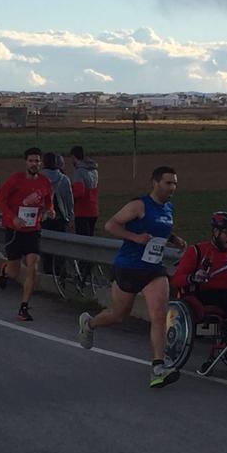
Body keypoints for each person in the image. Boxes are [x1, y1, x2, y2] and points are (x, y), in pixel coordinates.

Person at [78, 166, 188, 388]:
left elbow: (159, 229)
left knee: (158, 315)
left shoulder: (169, 208)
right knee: (119, 315)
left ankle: (158, 367)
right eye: (168, 183)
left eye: (175, 183)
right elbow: (111, 225)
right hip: (128, 267)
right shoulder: (139, 205)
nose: (172, 187)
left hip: (153, 269)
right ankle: (89, 323)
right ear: (155, 183)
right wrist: (134, 237)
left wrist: (174, 239)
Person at [172, 212, 227, 357]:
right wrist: (193, 277)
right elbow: (176, 279)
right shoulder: (197, 250)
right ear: (216, 232)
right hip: (204, 294)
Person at [0, 147, 55, 321]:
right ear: (25, 162)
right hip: (15, 230)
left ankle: (24, 306)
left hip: (33, 230)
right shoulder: (16, 180)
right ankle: (5, 270)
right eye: (31, 161)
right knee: (14, 272)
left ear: (41, 163)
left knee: (32, 267)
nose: (34, 164)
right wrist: (13, 217)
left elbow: (49, 202)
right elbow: (0, 200)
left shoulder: (45, 182)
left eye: (37, 161)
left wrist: (50, 210)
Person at [40, 152, 74, 275]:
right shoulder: (64, 179)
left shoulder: (38, 178)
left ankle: (48, 275)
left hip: (43, 218)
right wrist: (70, 217)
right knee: (61, 249)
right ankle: (61, 275)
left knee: (46, 249)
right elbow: (69, 201)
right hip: (61, 218)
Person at [70, 146, 99, 237]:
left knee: (82, 239)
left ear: (74, 157)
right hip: (93, 209)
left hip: (82, 210)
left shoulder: (79, 171)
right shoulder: (93, 170)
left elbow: (79, 192)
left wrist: (69, 198)